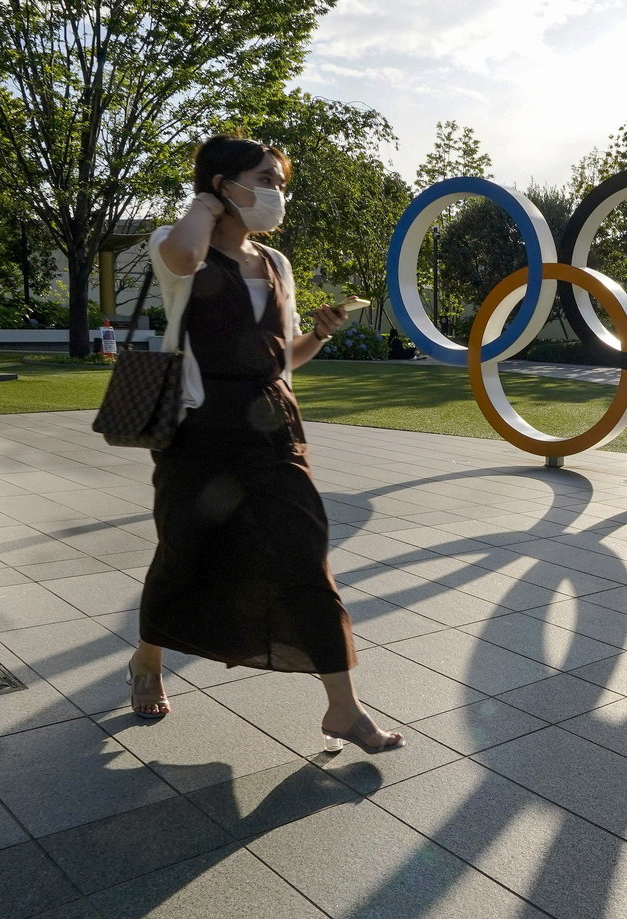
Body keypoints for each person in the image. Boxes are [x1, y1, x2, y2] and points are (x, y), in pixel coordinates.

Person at [126, 135, 404, 756]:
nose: (277, 193)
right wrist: (204, 204)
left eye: (280, 181)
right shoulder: (181, 244)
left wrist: (320, 335)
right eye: (264, 179)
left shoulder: (276, 262)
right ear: (225, 183)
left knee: (306, 556)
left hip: (274, 428)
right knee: (186, 551)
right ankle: (148, 658)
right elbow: (181, 257)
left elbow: (284, 358)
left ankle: (343, 708)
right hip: (198, 431)